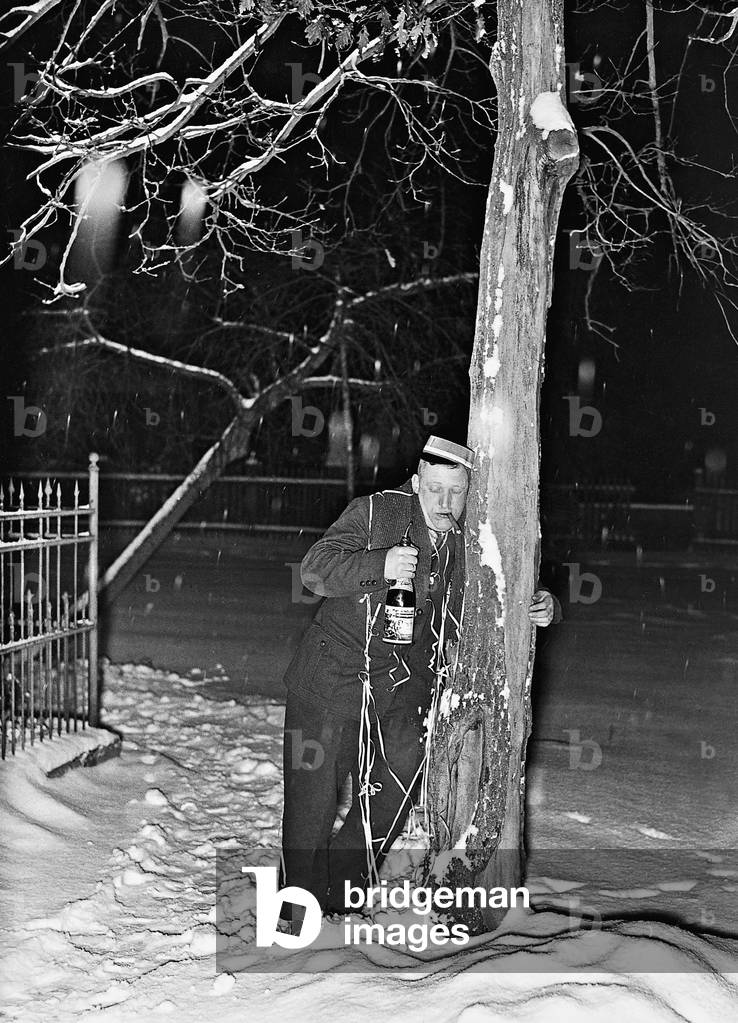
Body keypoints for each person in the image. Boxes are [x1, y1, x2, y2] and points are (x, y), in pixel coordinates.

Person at [280, 435, 560, 921]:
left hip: (401, 693)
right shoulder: (375, 513)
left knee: (390, 797)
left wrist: (544, 607)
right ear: (416, 483)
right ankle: (295, 914)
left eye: (456, 492)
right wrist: (379, 564)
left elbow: (501, 592)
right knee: (311, 807)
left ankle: (343, 896)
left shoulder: (466, 543)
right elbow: (315, 570)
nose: (444, 503)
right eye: (434, 490)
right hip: (331, 681)